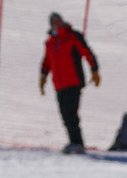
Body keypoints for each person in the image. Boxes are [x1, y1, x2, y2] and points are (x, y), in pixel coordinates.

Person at [39, 12, 100, 154]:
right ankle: (74, 142)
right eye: (54, 21)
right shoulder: (49, 42)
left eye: (59, 20)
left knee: (72, 113)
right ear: (51, 24)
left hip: (74, 82)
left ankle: (77, 143)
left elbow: (87, 52)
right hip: (59, 85)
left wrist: (94, 70)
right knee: (65, 115)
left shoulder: (73, 36)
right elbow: (47, 62)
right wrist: (42, 78)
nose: (57, 23)